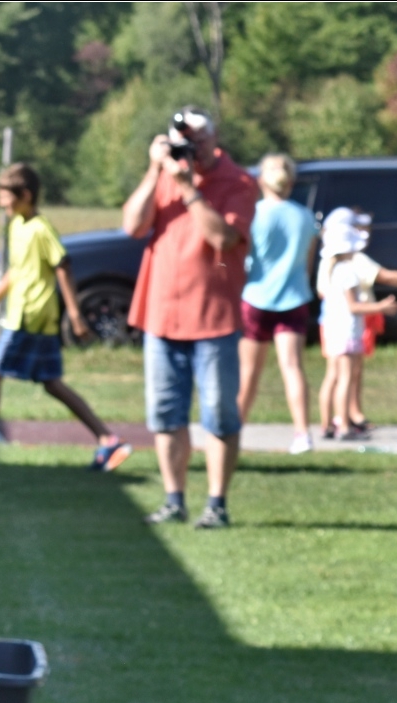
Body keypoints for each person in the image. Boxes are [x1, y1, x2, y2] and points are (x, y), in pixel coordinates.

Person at [119, 107, 259, 529]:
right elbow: (132, 226)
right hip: (162, 317)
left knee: (219, 415)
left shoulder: (238, 182)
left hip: (214, 320)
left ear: (213, 140)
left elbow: (223, 237)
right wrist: (154, 170)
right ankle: (173, 500)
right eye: (184, 141)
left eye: (197, 141)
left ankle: (216, 504)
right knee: (166, 415)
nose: (190, 150)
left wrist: (189, 189)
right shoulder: (165, 175)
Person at [0, 163, 126, 474]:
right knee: (51, 383)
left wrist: (75, 315)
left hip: (31, 317)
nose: (3, 205)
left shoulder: (41, 228)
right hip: (21, 315)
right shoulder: (16, 225)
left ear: (25, 195)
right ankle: (109, 440)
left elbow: (62, 266)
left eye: (6, 198)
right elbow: (16, 271)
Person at [313, 208, 397, 442]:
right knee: (347, 377)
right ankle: (345, 424)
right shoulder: (350, 269)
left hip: (331, 326)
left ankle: (328, 425)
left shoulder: (328, 266)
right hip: (347, 330)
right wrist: (382, 306)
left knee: (333, 376)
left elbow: (324, 294)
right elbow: (373, 288)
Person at [236, 154, 318, 456]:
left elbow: (242, 258)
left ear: (261, 180)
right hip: (294, 298)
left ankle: (234, 432)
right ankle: (302, 433)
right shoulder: (305, 217)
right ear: (291, 181)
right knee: (293, 367)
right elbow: (308, 265)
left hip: (256, 298)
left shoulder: (254, 215)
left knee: (249, 372)